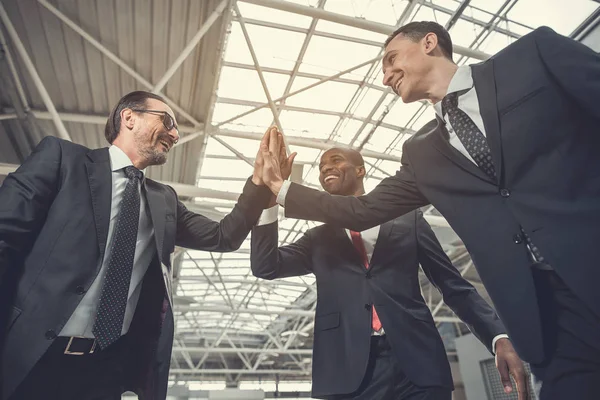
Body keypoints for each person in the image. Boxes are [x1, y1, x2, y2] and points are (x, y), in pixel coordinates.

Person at [257, 21, 600, 400]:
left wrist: (494, 333)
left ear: (429, 43)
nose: (386, 76)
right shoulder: (422, 154)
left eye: (390, 60)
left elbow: (453, 286)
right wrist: (279, 189)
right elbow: (362, 211)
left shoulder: (531, 57)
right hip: (548, 314)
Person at [0, 91, 275, 400]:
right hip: (29, 355)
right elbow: (4, 233)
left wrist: (260, 185)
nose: (175, 134)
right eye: (168, 121)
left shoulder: (164, 199)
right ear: (128, 117)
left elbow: (224, 236)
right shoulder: (64, 159)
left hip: (101, 370)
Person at [251, 146, 525, 400]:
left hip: (419, 366)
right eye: (321, 167)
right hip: (347, 372)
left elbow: (453, 286)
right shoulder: (316, 238)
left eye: (335, 160)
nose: (325, 168)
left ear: (361, 170)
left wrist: (497, 337)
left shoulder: (411, 221)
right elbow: (266, 266)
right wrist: (269, 202)